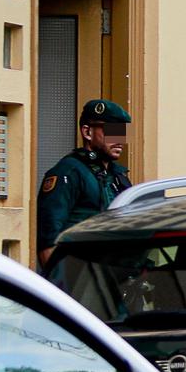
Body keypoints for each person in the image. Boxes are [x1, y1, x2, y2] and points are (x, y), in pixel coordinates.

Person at [36, 99, 133, 267]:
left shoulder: (119, 177)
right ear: (87, 132)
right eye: (112, 131)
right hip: (81, 279)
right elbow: (48, 243)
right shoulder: (69, 172)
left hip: (114, 278)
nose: (119, 140)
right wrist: (63, 288)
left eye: (122, 132)